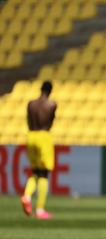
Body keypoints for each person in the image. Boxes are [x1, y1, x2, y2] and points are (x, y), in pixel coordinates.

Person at [21, 81, 57, 220]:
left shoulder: (31, 104)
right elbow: (50, 122)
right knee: (43, 174)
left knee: (34, 171)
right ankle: (40, 209)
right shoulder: (52, 104)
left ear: (40, 89)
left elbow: (29, 120)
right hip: (43, 136)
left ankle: (26, 195)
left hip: (31, 136)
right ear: (50, 91)